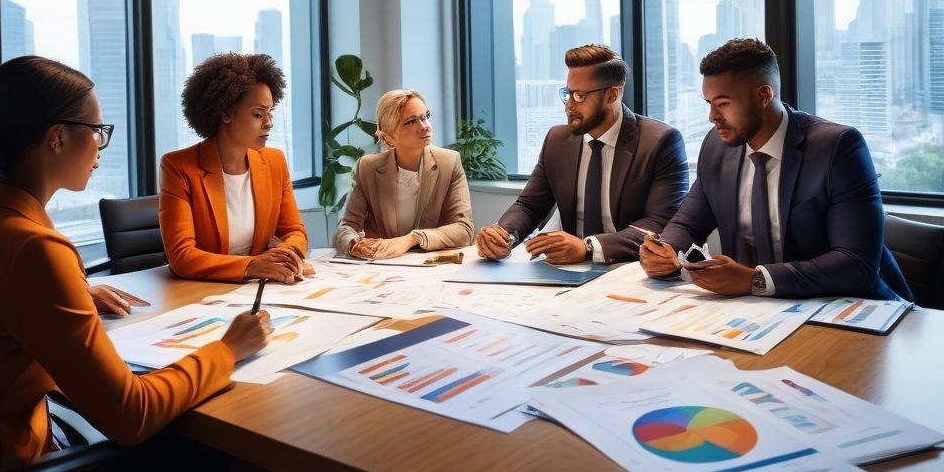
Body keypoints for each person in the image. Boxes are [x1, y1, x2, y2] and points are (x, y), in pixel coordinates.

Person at [0, 56, 275, 472]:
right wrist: (228, 349)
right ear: (58, 136)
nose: (100, 144)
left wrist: (73, 289)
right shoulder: (34, 248)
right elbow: (132, 416)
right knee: (245, 461)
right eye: (96, 130)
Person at [639, 38, 911, 301]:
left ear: (763, 95)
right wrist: (666, 250)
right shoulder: (717, 146)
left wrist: (754, 280)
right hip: (763, 312)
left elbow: (856, 264)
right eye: (709, 103)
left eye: (723, 103)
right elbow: (689, 221)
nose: (712, 117)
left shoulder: (837, 148)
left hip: (848, 307)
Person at [476, 44, 688, 264]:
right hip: (568, 269)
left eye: (580, 96)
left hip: (631, 267)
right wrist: (504, 235)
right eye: (567, 94)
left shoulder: (661, 142)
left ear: (612, 95)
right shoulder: (557, 140)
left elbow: (659, 222)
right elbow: (529, 206)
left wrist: (588, 247)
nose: (569, 105)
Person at [160, 53, 310, 283]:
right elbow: (182, 257)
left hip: (257, 288)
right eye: (258, 114)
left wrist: (284, 256)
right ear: (226, 114)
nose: (269, 123)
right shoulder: (179, 167)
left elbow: (294, 232)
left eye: (270, 113)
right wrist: (252, 266)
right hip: (200, 293)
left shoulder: (274, 162)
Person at [333, 90, 473, 258]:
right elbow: (346, 227)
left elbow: (464, 229)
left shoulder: (449, 162)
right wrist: (354, 245)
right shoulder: (368, 168)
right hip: (383, 267)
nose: (425, 126)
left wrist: (412, 238)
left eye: (425, 116)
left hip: (431, 266)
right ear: (387, 138)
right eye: (411, 121)